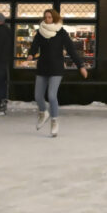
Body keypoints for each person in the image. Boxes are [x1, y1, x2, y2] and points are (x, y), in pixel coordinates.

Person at [26, 8, 89, 137]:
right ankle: (43, 112)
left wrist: (80, 66)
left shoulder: (61, 32)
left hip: (56, 68)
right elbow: (34, 45)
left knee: (52, 96)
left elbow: (71, 50)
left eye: (49, 17)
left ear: (54, 18)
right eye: (45, 17)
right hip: (42, 67)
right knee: (38, 96)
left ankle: (54, 121)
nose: (47, 19)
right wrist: (31, 55)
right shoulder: (40, 32)